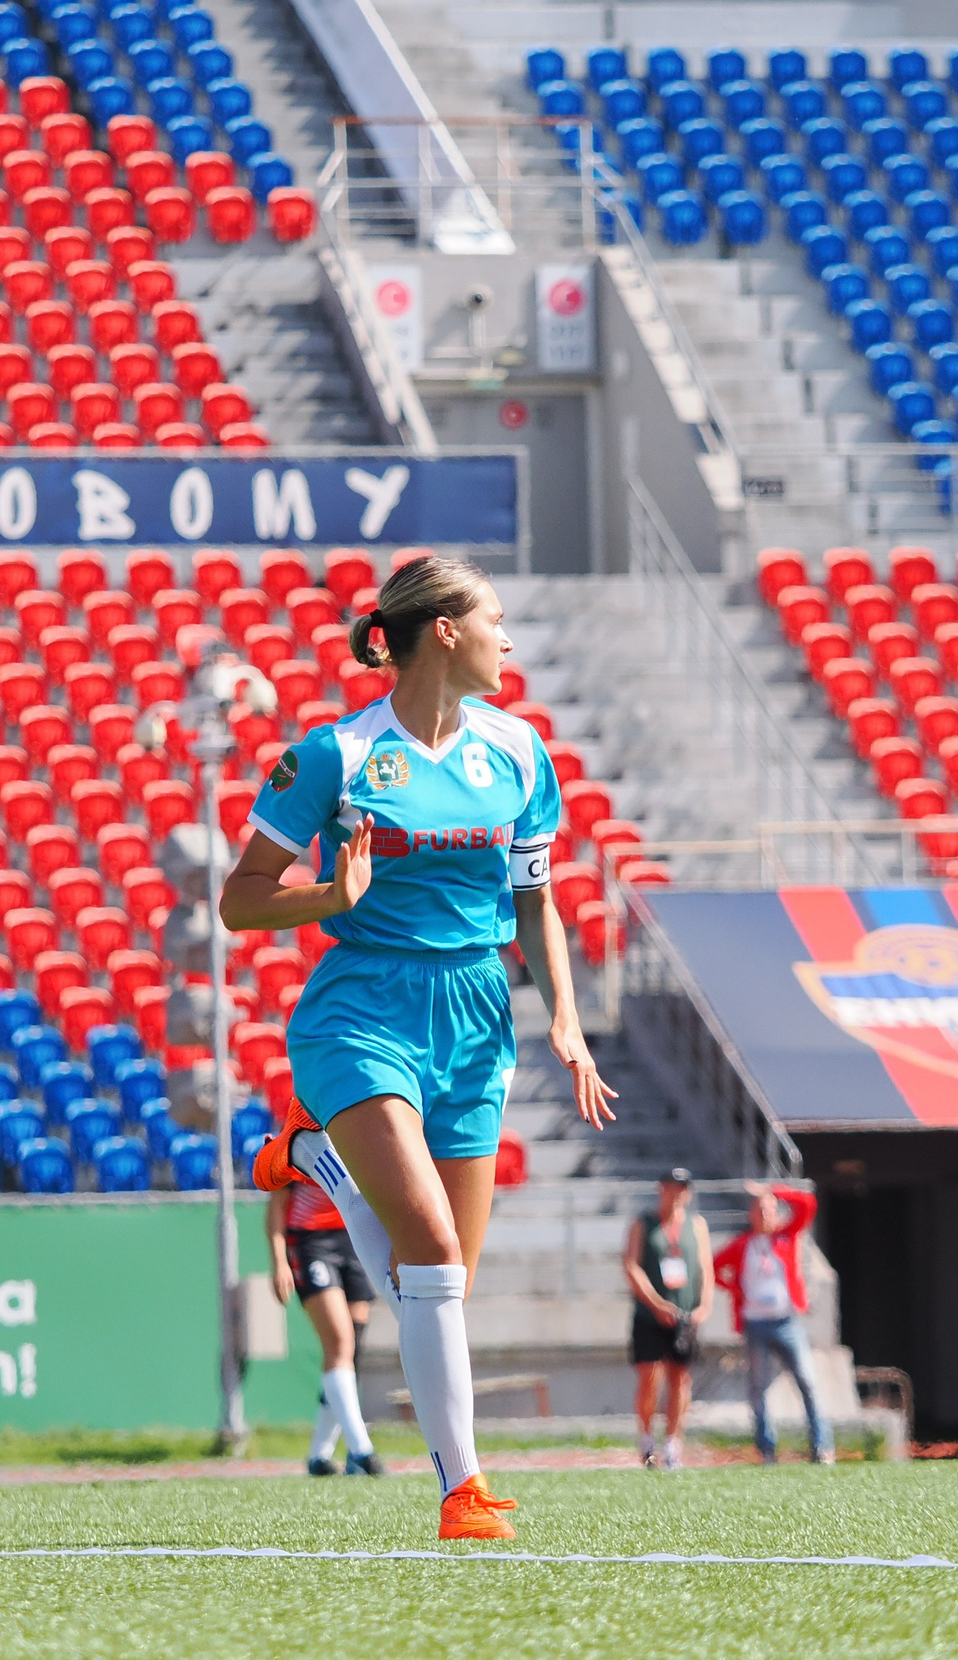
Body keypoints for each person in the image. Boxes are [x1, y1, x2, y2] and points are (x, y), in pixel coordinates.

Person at [226, 554, 615, 1542]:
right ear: (444, 630)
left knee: (434, 1284)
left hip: (478, 1016)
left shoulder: (519, 752)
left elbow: (535, 901)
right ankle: (462, 1492)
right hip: (362, 1012)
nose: (508, 640)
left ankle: (312, 1159)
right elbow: (239, 901)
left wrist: (563, 1017)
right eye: (494, 619)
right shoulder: (335, 756)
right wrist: (329, 898)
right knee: (431, 1252)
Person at [268, 1176, 384, 1477]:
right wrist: (280, 1262)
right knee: (340, 1344)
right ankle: (361, 1450)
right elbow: (277, 1205)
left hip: (351, 1239)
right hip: (309, 1242)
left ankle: (319, 1454)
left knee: (351, 1351)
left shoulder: (356, 1135)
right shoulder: (297, 1138)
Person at [711, 1184, 835, 1465]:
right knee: (759, 1387)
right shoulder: (743, 1244)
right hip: (756, 1324)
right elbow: (713, 1266)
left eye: (770, 1209)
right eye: (761, 1209)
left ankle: (822, 1445)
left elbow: (807, 1204)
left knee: (807, 1380)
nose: (766, 1215)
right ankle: (767, 1448)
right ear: (752, 1214)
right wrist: (734, 1288)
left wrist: (774, 1190)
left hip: (787, 1321)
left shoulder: (786, 1237)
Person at [623, 1167, 710, 1469]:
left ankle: (673, 1442)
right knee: (650, 1378)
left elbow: (704, 1268)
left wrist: (704, 1306)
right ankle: (646, 1439)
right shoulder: (644, 1223)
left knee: (680, 1379)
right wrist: (656, 1303)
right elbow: (631, 1266)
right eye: (671, 1187)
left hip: (684, 1315)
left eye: (682, 1188)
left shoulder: (696, 1225)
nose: (676, 1194)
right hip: (651, 1314)